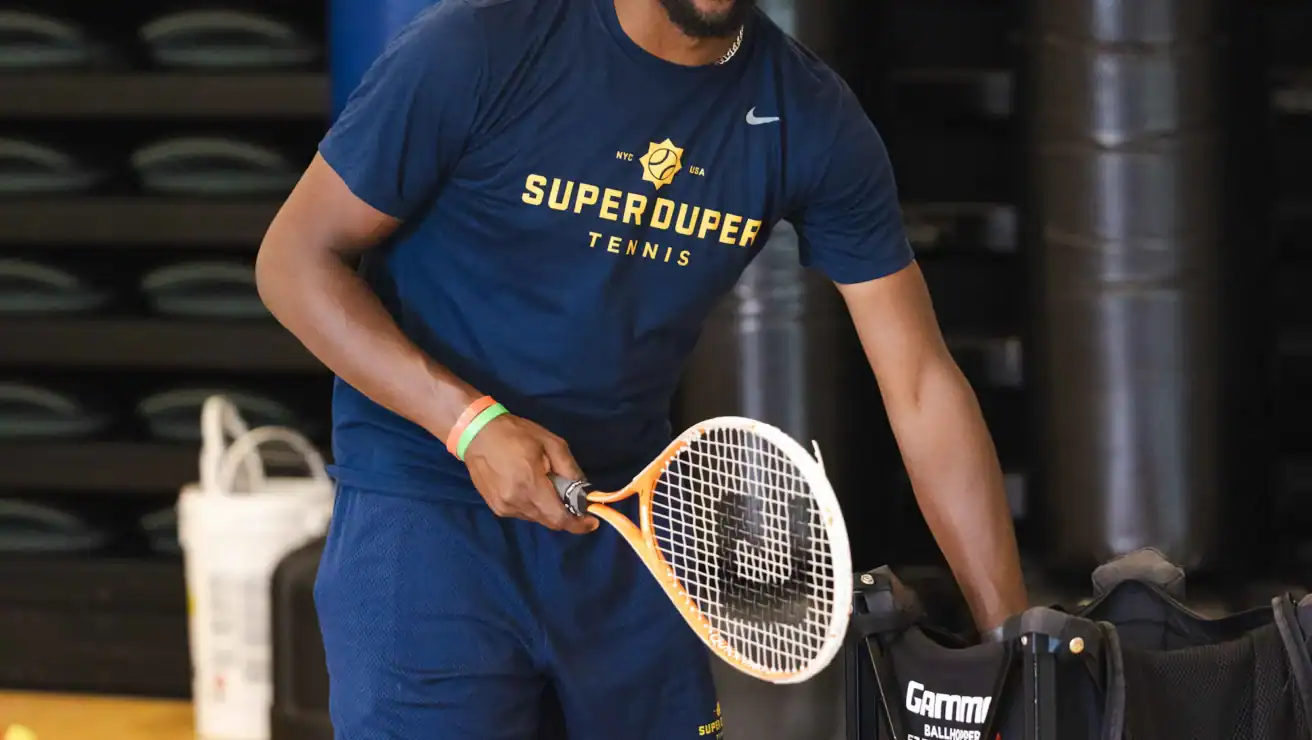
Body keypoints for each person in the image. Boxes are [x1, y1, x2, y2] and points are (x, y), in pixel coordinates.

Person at [256, 0, 1029, 737]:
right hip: (427, 517)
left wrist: (1013, 649)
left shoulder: (810, 116)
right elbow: (293, 263)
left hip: (631, 528)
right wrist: (469, 422)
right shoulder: (477, 48)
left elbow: (922, 385)